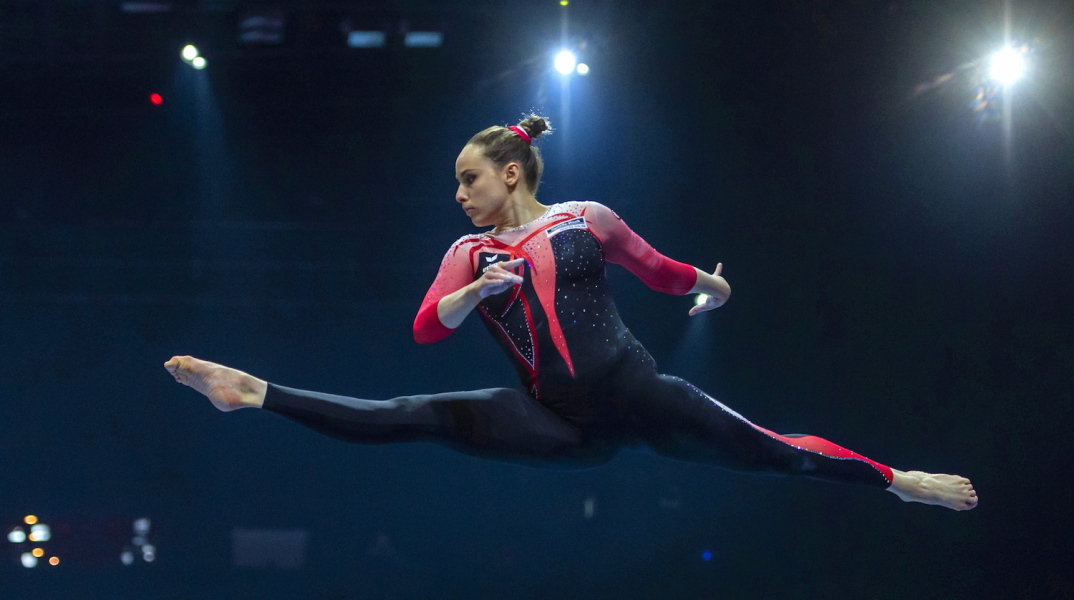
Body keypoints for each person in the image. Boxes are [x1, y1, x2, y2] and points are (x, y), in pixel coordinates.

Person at [165, 115, 977, 511]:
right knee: (412, 414)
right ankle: (252, 392)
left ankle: (897, 481)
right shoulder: (466, 254)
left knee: (771, 450)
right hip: (558, 425)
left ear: (512, 173)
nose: (459, 195)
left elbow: (660, 273)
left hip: (640, 396)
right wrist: (472, 293)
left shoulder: (585, 219)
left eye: (470, 180)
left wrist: (714, 288)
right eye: (457, 185)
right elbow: (424, 329)